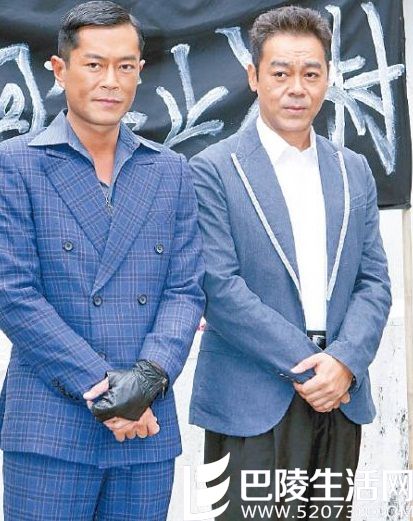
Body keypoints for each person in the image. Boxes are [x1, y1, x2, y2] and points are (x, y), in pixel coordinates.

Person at [0, 2, 204, 520]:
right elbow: (13, 295)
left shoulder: (170, 171)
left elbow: (185, 290)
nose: (111, 80)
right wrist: (111, 393)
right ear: (59, 68)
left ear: (140, 71)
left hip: (147, 428)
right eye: (94, 64)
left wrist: (147, 379)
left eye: (125, 66)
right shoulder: (16, 165)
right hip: (51, 425)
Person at [189, 6, 391, 520]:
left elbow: (374, 282)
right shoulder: (213, 169)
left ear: (328, 77)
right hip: (251, 401)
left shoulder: (353, 169)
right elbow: (220, 288)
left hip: (340, 398)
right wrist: (312, 365)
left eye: (310, 73)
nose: (296, 89)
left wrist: (344, 363)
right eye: (280, 73)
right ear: (254, 76)